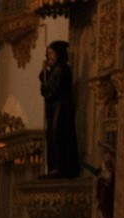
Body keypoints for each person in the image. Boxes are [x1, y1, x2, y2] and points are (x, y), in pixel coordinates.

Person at [39, 40, 80, 179]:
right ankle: (54, 167)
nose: (49, 57)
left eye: (51, 53)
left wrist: (46, 76)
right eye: (48, 54)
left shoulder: (62, 69)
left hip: (61, 108)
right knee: (51, 135)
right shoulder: (55, 70)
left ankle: (60, 167)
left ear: (59, 54)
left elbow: (49, 90)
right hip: (54, 108)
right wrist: (45, 72)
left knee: (58, 135)